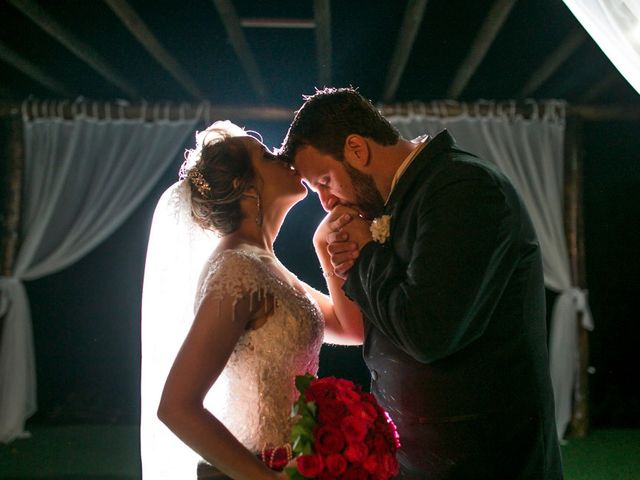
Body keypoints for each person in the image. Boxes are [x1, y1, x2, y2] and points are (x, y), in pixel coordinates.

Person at [279, 87, 564, 479]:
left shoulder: (464, 187)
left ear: (358, 149)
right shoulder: (397, 199)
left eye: (326, 181)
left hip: (487, 458)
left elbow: (430, 332)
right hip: (420, 460)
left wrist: (366, 255)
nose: (327, 202)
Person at [149, 121, 363, 480]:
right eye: (267, 156)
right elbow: (176, 407)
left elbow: (350, 328)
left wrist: (324, 249)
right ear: (244, 187)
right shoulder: (237, 270)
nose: (284, 157)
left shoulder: (264, 265)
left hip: (299, 462)